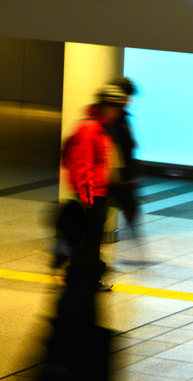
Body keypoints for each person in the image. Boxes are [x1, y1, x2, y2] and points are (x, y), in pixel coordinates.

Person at [60, 84, 129, 291]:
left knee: (89, 240)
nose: (117, 112)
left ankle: (83, 276)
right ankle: (87, 279)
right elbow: (84, 166)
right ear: (104, 106)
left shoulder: (101, 127)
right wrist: (88, 199)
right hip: (91, 195)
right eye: (115, 108)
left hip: (98, 193)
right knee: (88, 241)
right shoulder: (90, 128)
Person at [106, 76, 151, 264]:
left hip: (123, 178)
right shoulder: (111, 121)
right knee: (98, 217)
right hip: (114, 179)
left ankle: (137, 252)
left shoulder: (122, 117)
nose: (129, 100)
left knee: (131, 213)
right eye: (127, 96)